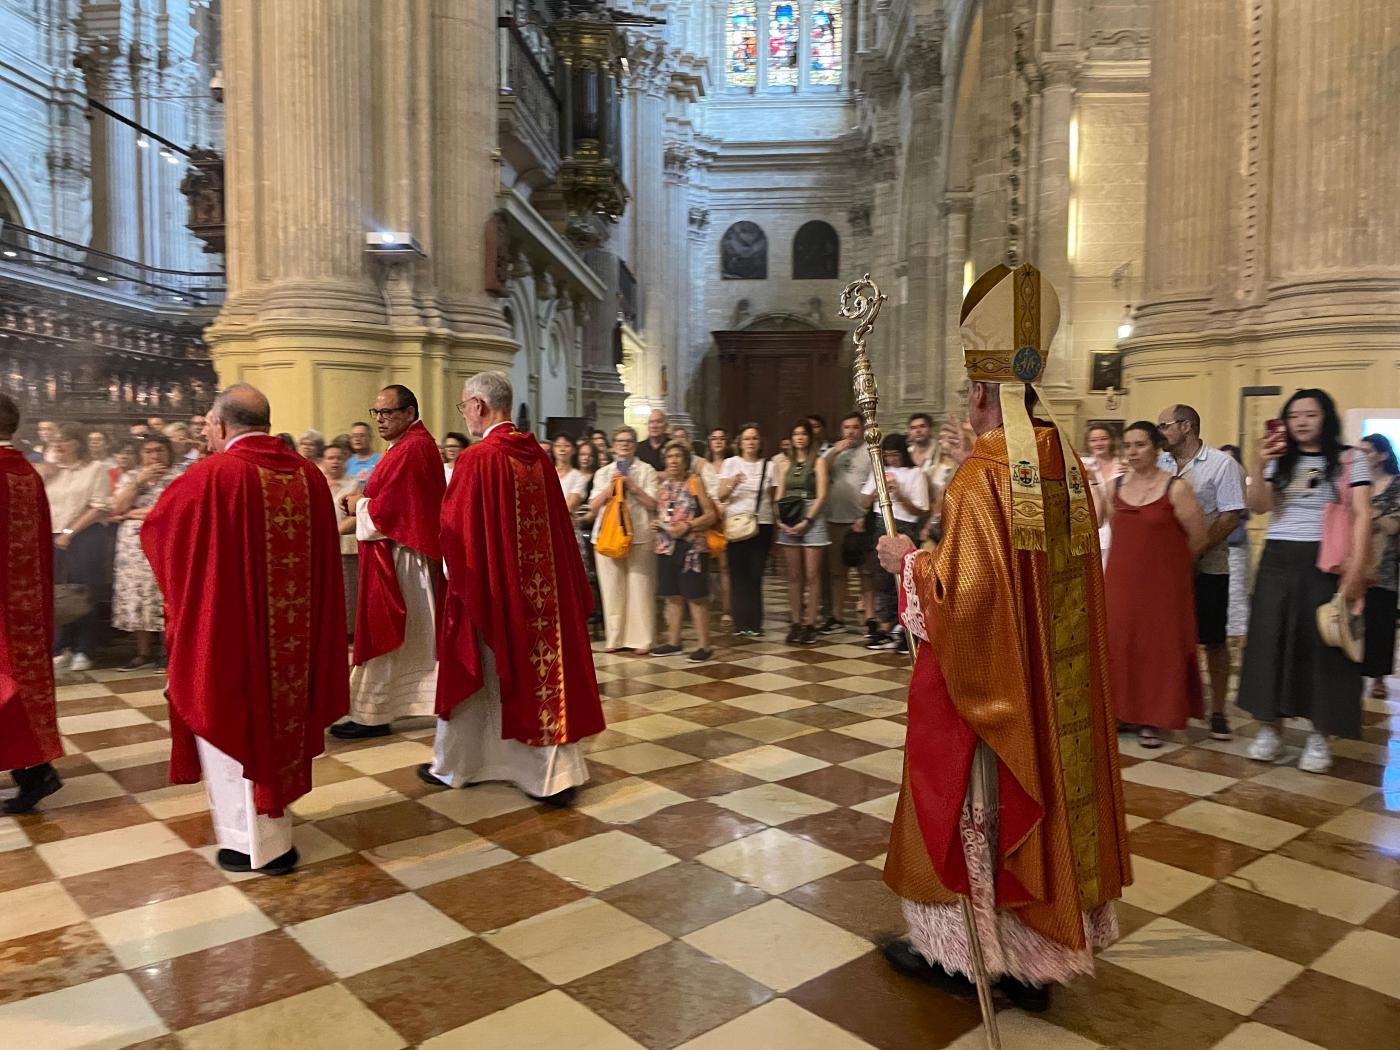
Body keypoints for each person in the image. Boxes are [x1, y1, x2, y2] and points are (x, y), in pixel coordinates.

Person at [877, 263, 1129, 1012]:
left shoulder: (980, 477)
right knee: (1045, 793)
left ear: (981, 391)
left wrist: (910, 563)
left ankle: (973, 958)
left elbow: (972, 600)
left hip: (993, 692)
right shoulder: (1072, 468)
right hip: (1056, 685)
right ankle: (1035, 961)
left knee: (974, 807)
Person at [142, 384, 348, 875]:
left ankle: (250, 845)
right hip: (295, 642)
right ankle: (276, 833)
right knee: (281, 730)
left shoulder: (212, 476)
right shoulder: (309, 477)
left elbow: (158, 532)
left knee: (232, 726)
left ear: (220, 425)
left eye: (208, 425)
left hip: (232, 636)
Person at [424, 371, 605, 805]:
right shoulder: (536, 456)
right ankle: (551, 775)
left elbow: (456, 531)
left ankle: (462, 764)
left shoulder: (477, 459)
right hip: (543, 594)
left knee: (486, 671)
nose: (464, 413)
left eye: (464, 405)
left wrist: (456, 579)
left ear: (480, 406)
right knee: (539, 678)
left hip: (495, 592)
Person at [1240, 389, 1371, 774]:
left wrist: (1357, 567)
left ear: (1325, 418)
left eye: (1310, 415)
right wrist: (1260, 461)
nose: (1301, 422)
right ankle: (1270, 728)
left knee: (1322, 646)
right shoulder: (1279, 458)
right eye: (1294, 415)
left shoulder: (1350, 459)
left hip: (1324, 560)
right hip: (1278, 557)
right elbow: (1259, 506)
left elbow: (1363, 514)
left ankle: (1319, 734)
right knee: (1269, 641)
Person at [335, 385, 446, 739]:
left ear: (409, 413)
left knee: (396, 633)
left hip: (404, 558)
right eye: (377, 413)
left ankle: (376, 712)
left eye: (388, 413)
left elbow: (395, 510)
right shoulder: (406, 446)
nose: (380, 420)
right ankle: (375, 709)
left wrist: (358, 505)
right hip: (395, 553)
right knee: (405, 637)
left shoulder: (413, 450)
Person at [1103, 422, 1208, 747]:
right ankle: (1121, 711)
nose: (1133, 452)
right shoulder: (1114, 487)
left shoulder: (1176, 488)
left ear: (1156, 447)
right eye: (1129, 446)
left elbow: (1199, 537)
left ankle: (1154, 718)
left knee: (1157, 648)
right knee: (1120, 644)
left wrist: (1169, 569)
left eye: (1140, 445)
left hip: (1162, 585)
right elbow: (1098, 524)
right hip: (1121, 583)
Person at [1156, 404, 1246, 740]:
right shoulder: (1160, 462)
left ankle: (1218, 710)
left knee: (1212, 640)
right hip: (1165, 569)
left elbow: (1229, 516)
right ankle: (1167, 705)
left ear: (1186, 426)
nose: (1159, 432)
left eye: (1163, 425)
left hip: (1208, 566)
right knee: (1169, 639)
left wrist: (1196, 551)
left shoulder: (1222, 465)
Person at [0, 394, 63, 813]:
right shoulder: (26, 471)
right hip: (25, 597)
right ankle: (34, 770)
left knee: (8, 686)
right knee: (18, 684)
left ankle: (36, 772)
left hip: (2, 602)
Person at [42, 422, 112, 672]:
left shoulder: (95, 469)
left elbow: (99, 506)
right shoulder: (50, 471)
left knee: (83, 592)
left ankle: (85, 648)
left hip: (85, 537)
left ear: (78, 444)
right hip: (50, 536)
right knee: (57, 592)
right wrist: (45, 472)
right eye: (56, 441)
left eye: (65, 440)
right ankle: (62, 647)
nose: (59, 445)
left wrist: (70, 532)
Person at [110, 435, 182, 672]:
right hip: (132, 549)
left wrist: (132, 513)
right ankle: (143, 653)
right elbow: (118, 508)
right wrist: (139, 483)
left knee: (163, 595)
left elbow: (171, 510)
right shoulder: (132, 476)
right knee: (137, 596)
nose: (154, 456)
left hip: (166, 543)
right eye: (148, 451)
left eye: (159, 450)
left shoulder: (179, 477)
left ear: (169, 452)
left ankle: (167, 651)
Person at [589, 426, 660, 654]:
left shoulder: (647, 470)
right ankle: (615, 637)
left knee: (641, 587)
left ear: (635, 445)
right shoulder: (603, 472)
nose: (624, 444)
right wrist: (611, 487)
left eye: (629, 441)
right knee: (611, 587)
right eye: (620, 441)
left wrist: (632, 486)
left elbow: (654, 504)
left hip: (639, 533)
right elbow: (592, 505)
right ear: (613, 445)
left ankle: (643, 639)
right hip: (608, 534)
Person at [861, 433, 930, 655]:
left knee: (902, 579)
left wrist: (899, 493)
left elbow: (920, 509)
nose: (891, 460)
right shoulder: (879, 471)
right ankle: (885, 624)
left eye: (895, 455)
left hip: (905, 526)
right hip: (880, 524)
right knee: (881, 578)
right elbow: (863, 501)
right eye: (887, 456)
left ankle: (905, 627)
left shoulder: (915, 473)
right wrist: (877, 491)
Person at [651, 441, 719, 661]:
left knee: (695, 595)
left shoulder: (694, 482)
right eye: (669, 456)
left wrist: (688, 525)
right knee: (672, 595)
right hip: (666, 545)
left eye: (678, 456)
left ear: (686, 460)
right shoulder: (663, 486)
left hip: (691, 546)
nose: (673, 460)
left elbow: (711, 515)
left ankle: (705, 645)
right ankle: (674, 641)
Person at [774, 419, 830, 645]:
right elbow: (779, 493)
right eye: (795, 433)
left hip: (811, 515)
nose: (799, 437)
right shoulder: (783, 464)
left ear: (809, 437)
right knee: (794, 576)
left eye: (803, 434)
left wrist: (807, 520)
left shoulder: (818, 462)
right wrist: (780, 519)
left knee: (812, 575)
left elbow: (822, 494)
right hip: (789, 515)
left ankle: (810, 623)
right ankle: (796, 621)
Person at [719, 424, 776, 637]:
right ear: (740, 442)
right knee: (738, 575)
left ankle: (755, 622)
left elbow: (772, 498)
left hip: (763, 524)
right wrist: (733, 482)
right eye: (746, 438)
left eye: (754, 438)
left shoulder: (768, 466)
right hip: (736, 523)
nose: (750, 442)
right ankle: (740, 622)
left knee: (755, 574)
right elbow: (721, 495)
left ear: (759, 442)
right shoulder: (730, 463)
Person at [822, 412, 874, 636]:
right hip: (835, 518)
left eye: (855, 427)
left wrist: (866, 514)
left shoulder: (870, 452)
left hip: (860, 519)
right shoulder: (834, 451)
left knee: (866, 573)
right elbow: (818, 470)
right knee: (837, 572)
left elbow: (876, 484)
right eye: (847, 427)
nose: (851, 431)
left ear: (862, 429)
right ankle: (837, 616)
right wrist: (835, 451)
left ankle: (870, 617)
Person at [1360, 434, 1399, 697]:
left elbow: (1393, 525)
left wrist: (1369, 510)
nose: (1361, 456)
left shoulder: (1396, 485)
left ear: (1382, 455)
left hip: (1385, 562)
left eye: (1367, 451)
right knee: (1349, 619)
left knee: (1380, 621)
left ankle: (1378, 678)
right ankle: (1351, 670)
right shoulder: (1356, 483)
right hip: (1355, 559)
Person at [321, 441, 361, 638]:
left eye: (339, 458)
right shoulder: (316, 480)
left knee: (348, 589)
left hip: (345, 544)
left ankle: (348, 631)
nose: (334, 462)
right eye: (330, 458)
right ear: (323, 461)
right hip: (320, 545)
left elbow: (356, 514)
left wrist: (336, 531)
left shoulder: (353, 484)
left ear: (345, 461)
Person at [698, 429, 733, 626]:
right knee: (704, 566)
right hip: (708, 517)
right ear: (709, 442)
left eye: (722, 438)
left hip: (728, 518)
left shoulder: (733, 462)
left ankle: (727, 609)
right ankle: (708, 603)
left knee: (725, 567)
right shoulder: (704, 465)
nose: (718, 442)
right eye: (714, 439)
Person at [1220, 445, 1253, 643]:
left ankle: (1238, 643)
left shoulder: (1243, 483)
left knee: (1236, 594)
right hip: (1216, 546)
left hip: (1235, 544)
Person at [1083, 424, 1124, 568]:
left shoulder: (1123, 466)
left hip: (1118, 533)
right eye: (1093, 440)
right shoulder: (1082, 465)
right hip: (1091, 534)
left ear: (1111, 440)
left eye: (1103, 439)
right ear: (1087, 443)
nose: (1098, 443)